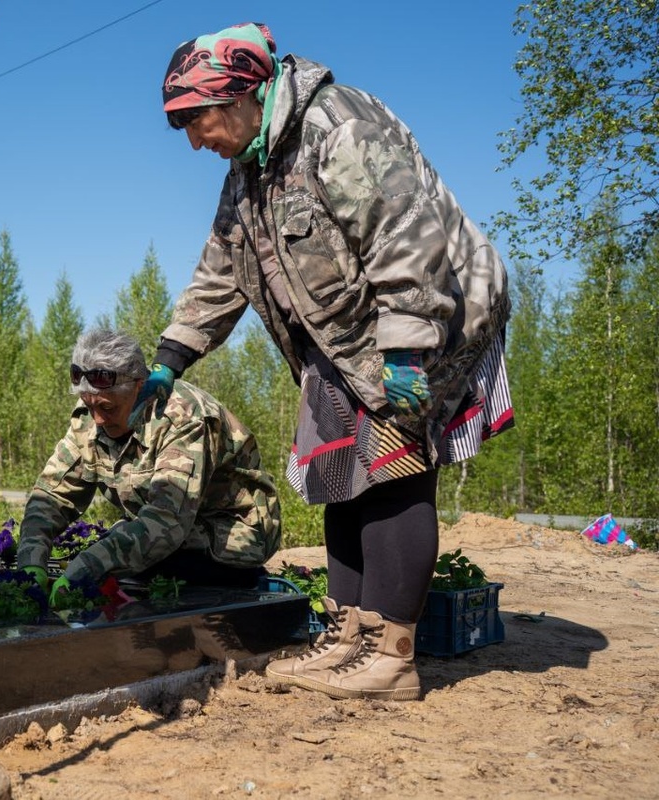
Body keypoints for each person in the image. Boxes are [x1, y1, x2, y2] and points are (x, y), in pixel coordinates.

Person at [136, 22, 514, 701]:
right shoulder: (248, 173)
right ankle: (347, 640)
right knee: (337, 473)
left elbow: (408, 240)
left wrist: (404, 355)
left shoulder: (340, 127)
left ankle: (392, 655)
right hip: (342, 341)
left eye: (198, 119)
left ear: (244, 93)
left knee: (392, 469)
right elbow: (219, 273)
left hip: (425, 319)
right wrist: (170, 359)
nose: (194, 139)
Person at [17, 328, 282, 601]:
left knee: (129, 568)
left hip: (232, 534)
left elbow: (167, 522)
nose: (97, 420)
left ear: (139, 387)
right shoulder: (92, 414)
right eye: (89, 405)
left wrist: (87, 568)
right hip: (174, 531)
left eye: (108, 409)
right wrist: (31, 564)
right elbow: (50, 496)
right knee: (120, 558)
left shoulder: (183, 417)